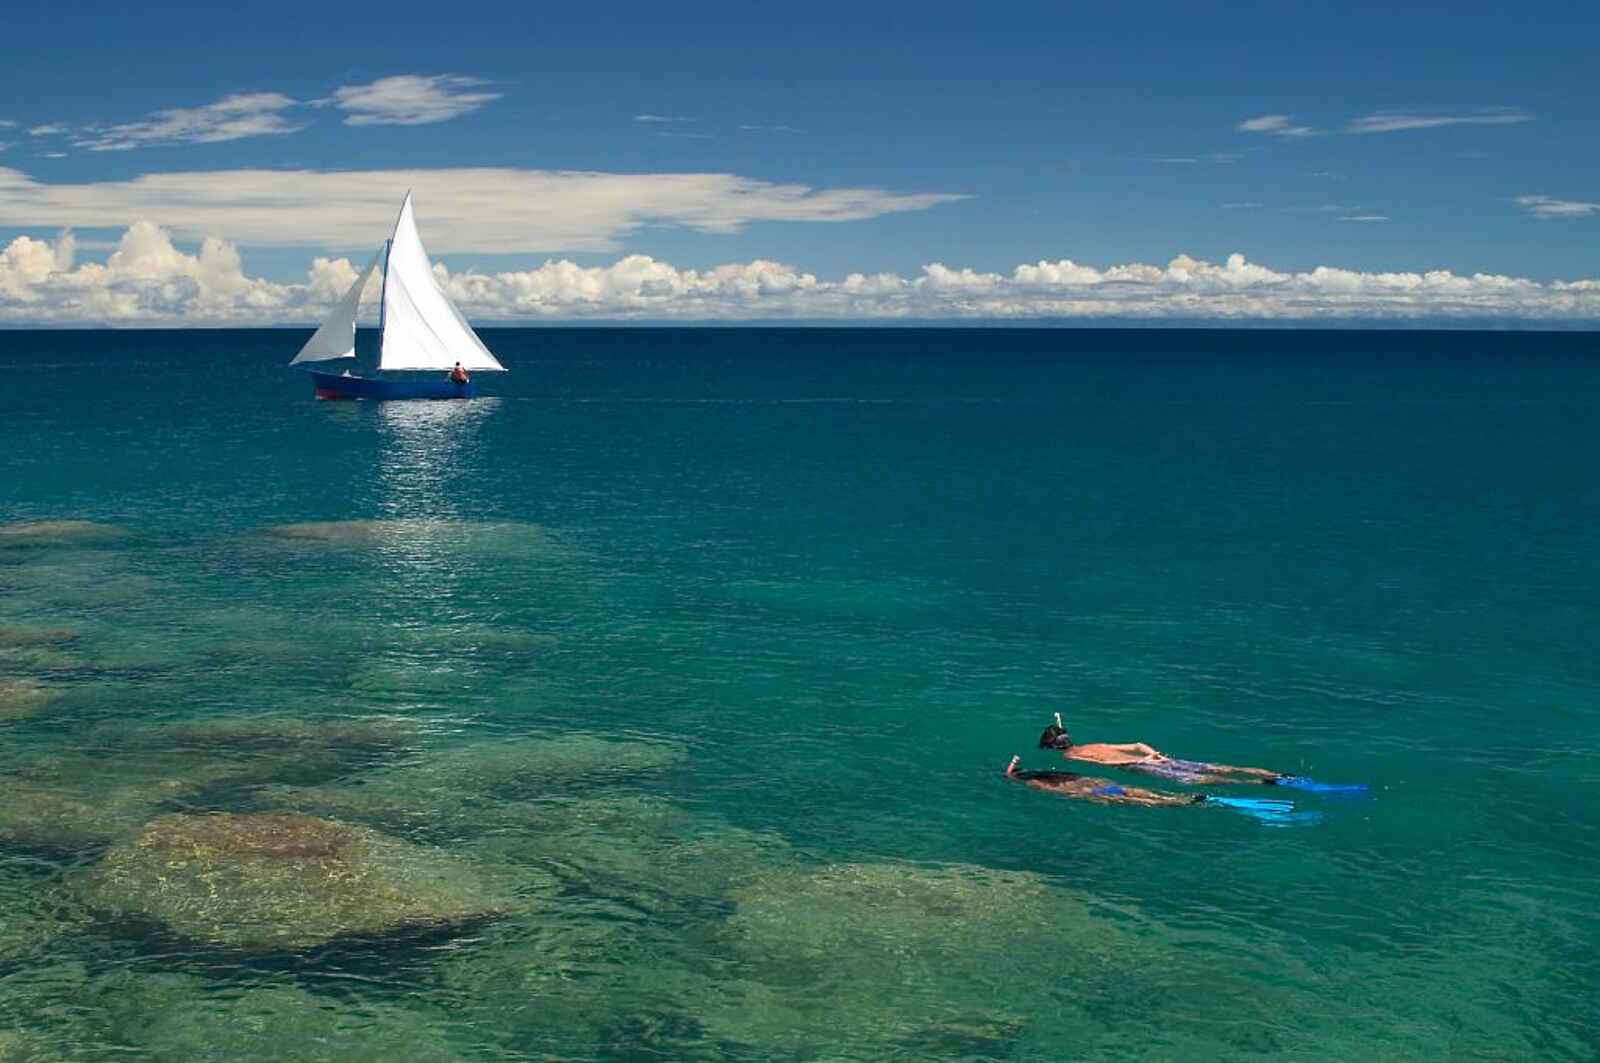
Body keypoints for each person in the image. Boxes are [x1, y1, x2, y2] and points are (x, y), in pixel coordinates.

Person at [1038, 713, 1281, 786]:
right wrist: (1153, 754)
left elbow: (1105, 763)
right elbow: (1137, 744)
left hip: (1143, 765)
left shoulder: (1070, 755)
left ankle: (1259, 783)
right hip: (1153, 757)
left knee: (1196, 780)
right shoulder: (1096, 744)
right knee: (1214, 767)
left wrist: (1143, 762)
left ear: (1052, 746)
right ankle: (1274, 775)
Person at [1004, 755, 1201, 807]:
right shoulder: (1060, 774)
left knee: (1134, 801)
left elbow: (1054, 791)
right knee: (1132, 791)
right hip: (1099, 784)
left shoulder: (1033, 782)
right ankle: (1176, 797)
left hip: (1091, 792)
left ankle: (1178, 802)